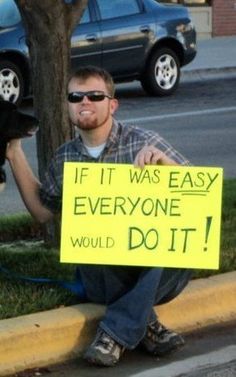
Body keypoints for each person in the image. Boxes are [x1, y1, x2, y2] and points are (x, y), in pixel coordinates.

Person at [7, 66, 191, 367]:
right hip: (102, 271)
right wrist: (15, 154)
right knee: (98, 244)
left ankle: (113, 335)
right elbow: (42, 212)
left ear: (112, 104)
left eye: (95, 95)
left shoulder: (144, 142)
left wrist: (166, 163)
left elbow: (199, 198)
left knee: (167, 247)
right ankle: (147, 326)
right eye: (76, 96)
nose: (85, 102)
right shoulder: (64, 157)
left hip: (156, 271)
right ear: (67, 105)